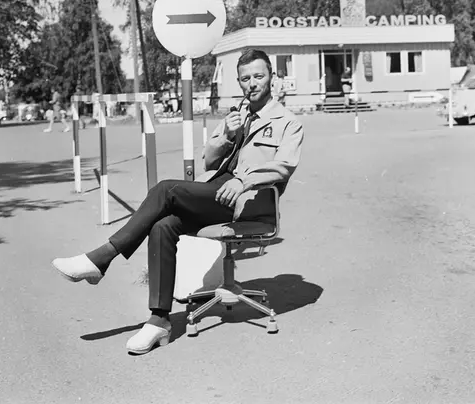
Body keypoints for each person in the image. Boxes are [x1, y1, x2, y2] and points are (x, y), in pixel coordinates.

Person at [51, 49, 304, 355]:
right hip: (215, 195)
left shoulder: (288, 122)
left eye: (258, 76)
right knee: (163, 225)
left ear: (272, 78)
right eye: (245, 78)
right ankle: (159, 321)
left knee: (165, 190)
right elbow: (209, 161)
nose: (252, 84)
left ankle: (102, 258)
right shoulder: (237, 114)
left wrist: (243, 181)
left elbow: (283, 166)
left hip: (248, 202)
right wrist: (227, 134)